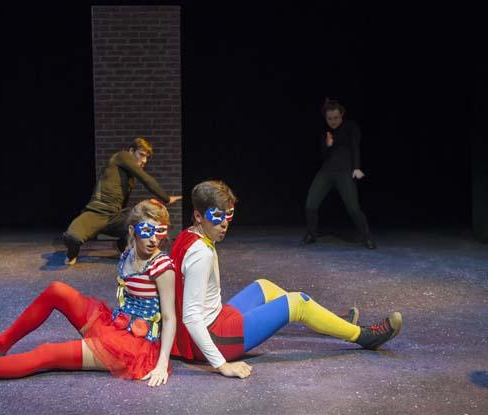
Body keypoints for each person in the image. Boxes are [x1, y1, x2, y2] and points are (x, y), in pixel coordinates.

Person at [0, 199, 176, 386]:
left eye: (160, 232)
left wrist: (162, 364)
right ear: (132, 231)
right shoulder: (129, 253)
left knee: (47, 353)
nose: (154, 239)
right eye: (147, 231)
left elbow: (169, 317)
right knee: (57, 290)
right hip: (117, 325)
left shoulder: (162, 266)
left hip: (134, 347)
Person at [171, 180, 401, 378]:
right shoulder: (200, 253)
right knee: (297, 302)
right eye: (216, 216)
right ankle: (363, 336)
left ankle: (327, 321)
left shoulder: (188, 235)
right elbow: (191, 316)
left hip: (215, 318)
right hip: (216, 338)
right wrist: (222, 366)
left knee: (264, 286)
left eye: (228, 215)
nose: (224, 223)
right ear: (198, 216)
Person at [62, 137, 181, 265]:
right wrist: (166, 198)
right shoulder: (122, 156)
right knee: (72, 237)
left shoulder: (128, 177)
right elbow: (146, 179)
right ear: (131, 150)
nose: (144, 160)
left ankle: (122, 245)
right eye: (141, 155)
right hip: (97, 213)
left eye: (146, 157)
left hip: (115, 216)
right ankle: (71, 255)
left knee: (141, 220)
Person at [301, 98, 376, 249]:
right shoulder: (326, 133)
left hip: (345, 172)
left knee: (353, 208)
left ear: (341, 114)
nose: (333, 121)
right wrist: (328, 145)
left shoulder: (350, 126)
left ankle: (367, 237)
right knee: (310, 204)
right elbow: (324, 155)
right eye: (329, 119)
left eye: (336, 118)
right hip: (326, 172)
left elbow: (355, 146)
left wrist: (356, 167)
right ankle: (311, 234)